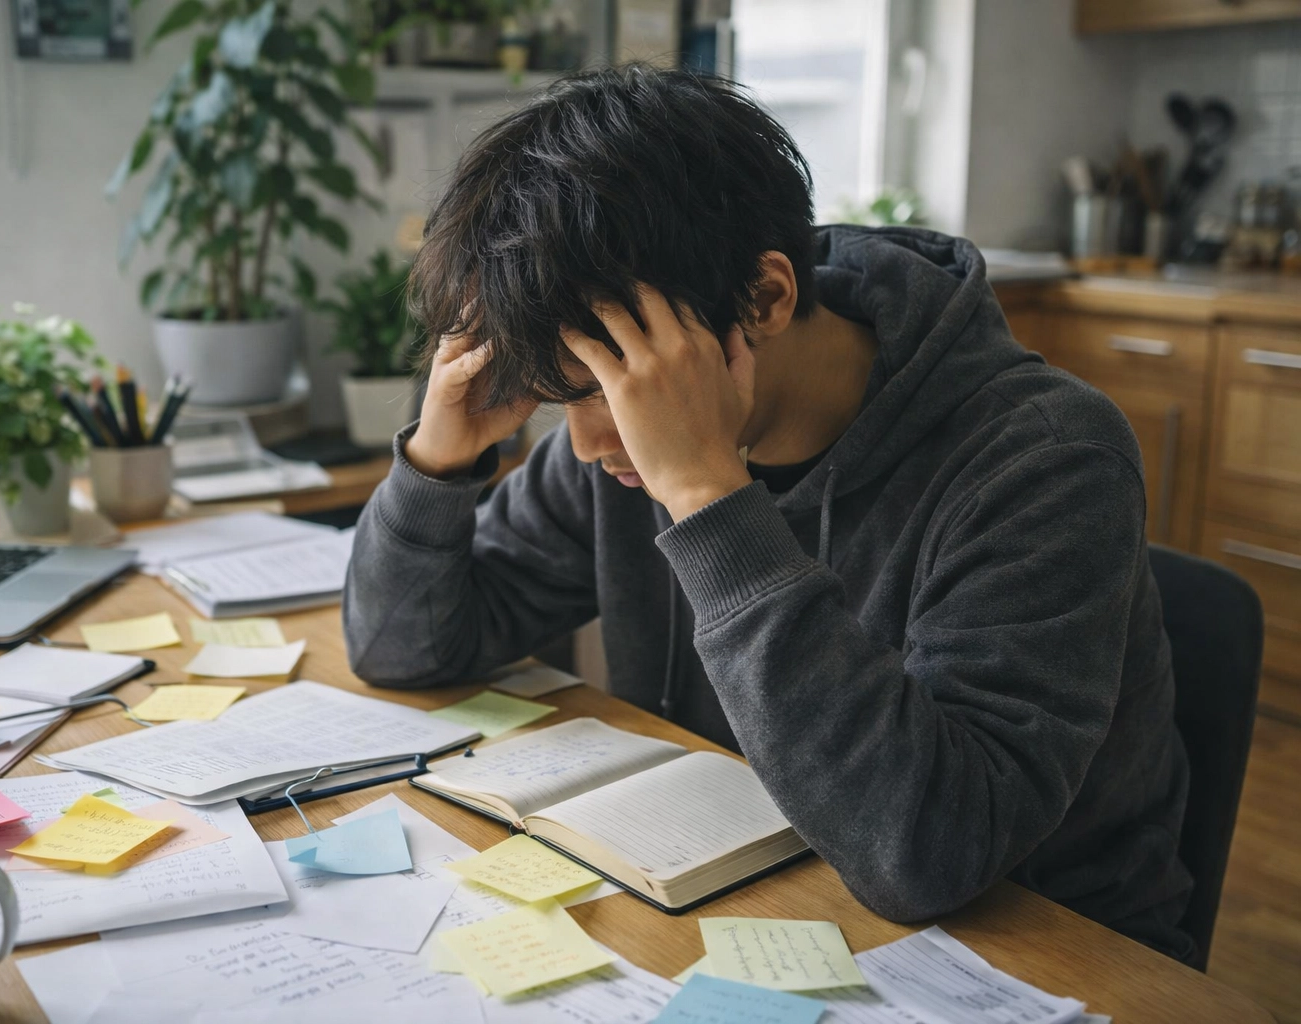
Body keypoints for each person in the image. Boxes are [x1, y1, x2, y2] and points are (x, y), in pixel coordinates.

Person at [341, 64, 1195, 962]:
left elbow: (931, 851)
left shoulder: (1046, 458)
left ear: (767, 299)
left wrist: (710, 498)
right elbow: (405, 649)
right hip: (750, 897)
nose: (589, 443)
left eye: (606, 386)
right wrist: (440, 464)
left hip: (1039, 955)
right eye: (563, 397)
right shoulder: (619, 445)